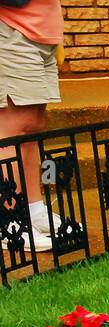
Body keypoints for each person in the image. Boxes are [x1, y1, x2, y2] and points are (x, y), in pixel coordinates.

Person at [0, 0, 63, 252]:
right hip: (12, 30)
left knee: (31, 126)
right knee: (11, 129)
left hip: (42, 33)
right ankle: (10, 220)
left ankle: (33, 208)